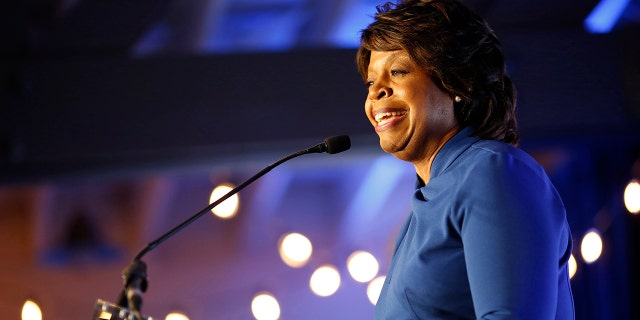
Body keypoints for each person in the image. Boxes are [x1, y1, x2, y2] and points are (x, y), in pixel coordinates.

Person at [356, 0, 575, 319]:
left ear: (456, 82)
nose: (377, 93)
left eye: (398, 72)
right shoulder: (422, 208)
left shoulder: (493, 171)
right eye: (371, 83)